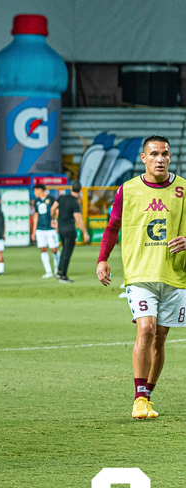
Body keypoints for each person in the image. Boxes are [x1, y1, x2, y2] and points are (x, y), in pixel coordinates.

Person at [96, 135, 186, 420]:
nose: (160, 159)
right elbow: (112, 227)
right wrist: (102, 259)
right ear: (143, 158)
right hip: (140, 274)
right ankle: (138, 399)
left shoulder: (183, 189)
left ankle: (147, 396)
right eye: (155, 154)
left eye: (165, 154)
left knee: (160, 340)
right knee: (146, 330)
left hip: (174, 275)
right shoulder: (129, 190)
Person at [53, 181, 90, 283]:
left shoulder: (62, 198)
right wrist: (85, 232)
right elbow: (78, 219)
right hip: (69, 229)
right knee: (67, 253)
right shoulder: (75, 203)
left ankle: (59, 271)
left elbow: (52, 208)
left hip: (60, 229)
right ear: (81, 190)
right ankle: (63, 276)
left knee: (64, 250)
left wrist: (53, 220)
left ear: (71, 188)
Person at [32, 183, 59, 279]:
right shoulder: (37, 201)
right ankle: (48, 271)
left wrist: (56, 223)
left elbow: (56, 211)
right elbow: (36, 215)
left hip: (50, 229)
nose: (34, 193)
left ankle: (57, 269)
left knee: (54, 249)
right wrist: (34, 230)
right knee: (43, 249)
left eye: (35, 190)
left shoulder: (51, 199)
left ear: (40, 190)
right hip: (40, 229)